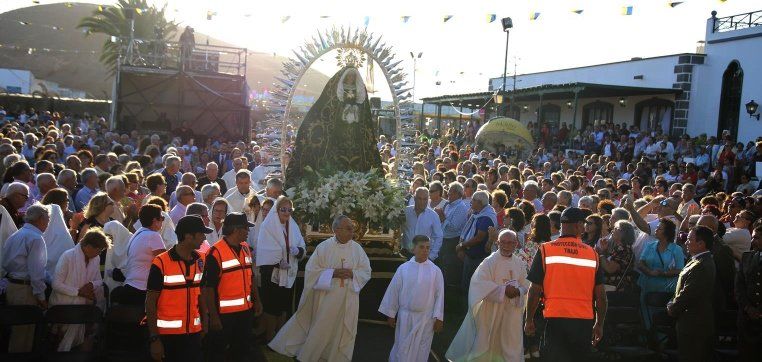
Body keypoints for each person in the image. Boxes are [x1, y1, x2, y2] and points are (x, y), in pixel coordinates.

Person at [269, 215, 372, 361]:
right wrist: (332, 273)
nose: (352, 232)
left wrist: (352, 273)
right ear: (336, 230)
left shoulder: (357, 249)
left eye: (352, 229)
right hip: (328, 297)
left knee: (343, 329)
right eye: (349, 228)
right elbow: (311, 271)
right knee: (322, 327)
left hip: (349, 298)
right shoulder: (324, 247)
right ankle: (310, 356)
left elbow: (366, 271)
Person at [524, 207, 607, 361]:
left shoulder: (545, 250)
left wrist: (529, 319)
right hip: (583, 321)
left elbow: (534, 291)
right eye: (583, 224)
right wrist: (599, 324)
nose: (584, 228)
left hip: (554, 318)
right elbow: (601, 296)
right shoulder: (592, 254)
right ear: (577, 225)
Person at [446, 229, 528, 361]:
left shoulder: (519, 263)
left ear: (516, 244)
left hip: (511, 312)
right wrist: (503, 290)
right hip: (490, 310)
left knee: (510, 344)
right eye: (503, 242)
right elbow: (479, 284)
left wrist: (518, 291)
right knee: (486, 344)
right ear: (497, 243)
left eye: (510, 243)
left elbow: (526, 285)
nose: (506, 246)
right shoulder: (489, 262)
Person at [146, 215, 211, 362]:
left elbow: (200, 294)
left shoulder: (201, 259)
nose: (204, 238)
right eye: (201, 234)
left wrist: (204, 323)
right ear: (188, 236)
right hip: (167, 338)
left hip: (193, 335)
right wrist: (154, 339)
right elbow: (150, 303)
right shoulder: (161, 262)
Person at [201, 212, 264, 361]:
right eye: (246, 228)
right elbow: (208, 288)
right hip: (223, 316)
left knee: (242, 351)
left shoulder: (245, 248)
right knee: (218, 353)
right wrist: (213, 316)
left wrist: (258, 300)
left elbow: (251, 277)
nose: (248, 232)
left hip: (245, 313)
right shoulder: (215, 253)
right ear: (236, 230)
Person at [379, 235, 444, 362]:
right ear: (413, 249)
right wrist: (391, 313)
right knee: (402, 347)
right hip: (406, 317)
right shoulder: (403, 269)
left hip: (426, 319)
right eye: (421, 247)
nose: (425, 250)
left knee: (422, 350)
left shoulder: (435, 271)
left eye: (428, 248)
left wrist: (439, 318)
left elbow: (439, 295)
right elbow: (394, 291)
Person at [49, 227, 110, 351]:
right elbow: (56, 284)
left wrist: (92, 285)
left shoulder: (95, 258)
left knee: (86, 339)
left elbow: (99, 280)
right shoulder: (68, 256)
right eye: (99, 250)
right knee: (60, 343)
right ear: (88, 246)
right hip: (63, 308)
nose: (99, 254)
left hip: (83, 309)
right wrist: (78, 292)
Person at [1, 204, 50, 353]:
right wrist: (41, 297)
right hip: (25, 289)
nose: (48, 223)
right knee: (23, 334)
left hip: (12, 286)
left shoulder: (16, 234)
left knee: (15, 331)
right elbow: (36, 272)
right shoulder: (35, 238)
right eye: (47, 219)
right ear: (41, 219)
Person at [256, 196, 306, 341]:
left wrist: (298, 251)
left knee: (283, 305)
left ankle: (280, 336)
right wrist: (278, 262)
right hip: (272, 272)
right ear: (276, 211)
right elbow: (265, 250)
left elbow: (301, 246)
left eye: (289, 210)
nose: (286, 212)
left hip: (288, 273)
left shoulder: (293, 226)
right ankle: (270, 335)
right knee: (272, 305)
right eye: (283, 209)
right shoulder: (267, 226)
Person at [667, 225, 716, 362]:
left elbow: (689, 293)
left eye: (689, 239)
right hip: (689, 322)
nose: (686, 242)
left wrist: (672, 307)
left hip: (695, 324)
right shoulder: (696, 260)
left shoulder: (702, 264)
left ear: (701, 244)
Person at [121, 204, 167, 306]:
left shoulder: (137, 234)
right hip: (141, 289)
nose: (163, 221)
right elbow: (165, 261)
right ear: (155, 220)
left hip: (130, 285)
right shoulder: (153, 235)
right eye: (162, 218)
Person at [456, 190, 497, 292]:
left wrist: (462, 245)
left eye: (473, 200)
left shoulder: (486, 217)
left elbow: (479, 238)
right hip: (470, 254)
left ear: (480, 203)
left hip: (478, 257)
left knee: (470, 286)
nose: (471, 202)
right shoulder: (478, 213)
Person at [735, 225, 762, 361]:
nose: (753, 241)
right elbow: (739, 286)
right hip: (747, 322)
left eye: (756, 238)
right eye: (752, 238)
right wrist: (748, 308)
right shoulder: (747, 257)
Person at [437, 181, 469, 288]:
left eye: (450, 193)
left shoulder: (461, 207)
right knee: (442, 263)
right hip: (444, 239)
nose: (448, 195)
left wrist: (442, 217)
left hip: (452, 241)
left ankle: (449, 288)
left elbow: (454, 227)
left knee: (448, 265)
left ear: (457, 194)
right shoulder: (448, 205)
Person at [402, 187, 443, 260]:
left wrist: (431, 256)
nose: (422, 202)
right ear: (414, 198)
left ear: (428, 199)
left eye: (425, 199)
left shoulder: (433, 216)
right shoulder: (405, 212)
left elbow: (438, 237)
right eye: (419, 199)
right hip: (405, 254)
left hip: (424, 256)